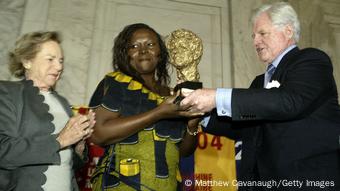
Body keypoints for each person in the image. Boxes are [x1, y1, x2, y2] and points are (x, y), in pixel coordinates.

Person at [180, 2, 340, 191]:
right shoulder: (259, 82)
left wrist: (216, 97)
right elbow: (247, 128)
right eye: (253, 36)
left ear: (288, 31)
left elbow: (289, 102)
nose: (255, 42)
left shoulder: (312, 61)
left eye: (262, 33)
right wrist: (202, 114)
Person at [89, 23, 200, 191]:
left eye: (150, 44)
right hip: (121, 185)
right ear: (125, 54)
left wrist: (192, 125)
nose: (143, 51)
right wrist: (158, 113)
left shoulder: (173, 94)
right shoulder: (116, 83)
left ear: (160, 52)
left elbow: (184, 151)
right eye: (134, 46)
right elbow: (98, 134)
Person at [0, 31, 96, 191]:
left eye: (60, 61)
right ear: (27, 61)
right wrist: (60, 140)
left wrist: (78, 143)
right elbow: (3, 151)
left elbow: (69, 163)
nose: (59, 67)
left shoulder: (62, 103)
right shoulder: (8, 93)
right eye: (50, 59)